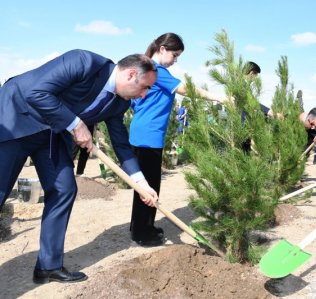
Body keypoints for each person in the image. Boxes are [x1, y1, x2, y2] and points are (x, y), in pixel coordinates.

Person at [0, 50, 159, 284]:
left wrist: (142, 184)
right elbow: (37, 92)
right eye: (144, 87)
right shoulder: (83, 62)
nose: (144, 95)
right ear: (131, 75)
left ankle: (48, 266)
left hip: (51, 136)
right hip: (18, 120)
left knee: (64, 189)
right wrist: (76, 125)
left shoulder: (118, 104)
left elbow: (122, 146)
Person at [129, 33, 229, 247]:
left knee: (145, 185)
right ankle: (142, 233)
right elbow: (186, 89)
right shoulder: (156, 70)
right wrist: (219, 97)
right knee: (149, 187)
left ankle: (141, 227)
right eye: (175, 55)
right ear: (162, 49)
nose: (176, 60)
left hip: (143, 133)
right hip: (149, 136)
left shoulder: (147, 70)